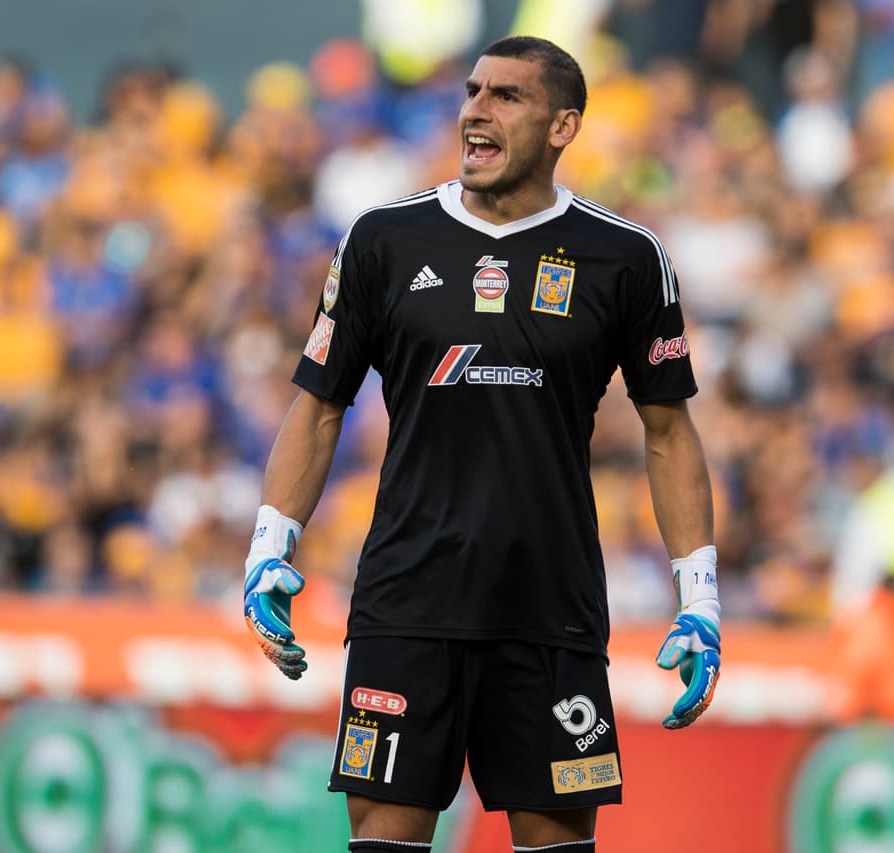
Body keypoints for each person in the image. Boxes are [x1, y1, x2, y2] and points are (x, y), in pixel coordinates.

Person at [242, 36, 720, 853]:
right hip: (407, 601)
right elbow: (319, 405)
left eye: (506, 96)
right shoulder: (385, 241)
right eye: (472, 91)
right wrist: (268, 545)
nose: (475, 110)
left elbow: (669, 432)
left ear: (563, 126)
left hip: (550, 611)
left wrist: (700, 597)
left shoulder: (626, 258)